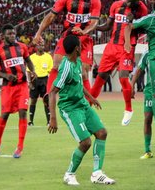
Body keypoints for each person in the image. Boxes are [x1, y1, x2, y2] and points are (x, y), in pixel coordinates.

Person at [48, 35, 115, 185]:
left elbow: (78, 83)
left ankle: (97, 174)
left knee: (102, 133)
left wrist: (91, 97)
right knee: (85, 142)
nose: (83, 47)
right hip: (70, 108)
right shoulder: (66, 67)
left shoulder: (77, 61)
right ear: (77, 48)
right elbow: (52, 92)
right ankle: (69, 174)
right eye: (81, 45)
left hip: (82, 104)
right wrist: (53, 118)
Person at [33, 0, 101, 95]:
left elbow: (94, 23)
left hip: (84, 39)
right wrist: (38, 33)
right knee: (56, 65)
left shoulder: (95, 1)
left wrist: (84, 31)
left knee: (84, 72)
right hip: (67, 37)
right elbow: (50, 17)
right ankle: (49, 96)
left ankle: (87, 107)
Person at [90, 0, 148, 125]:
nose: (130, 2)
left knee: (123, 77)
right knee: (100, 78)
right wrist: (94, 27)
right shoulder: (116, 5)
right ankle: (87, 108)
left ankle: (128, 109)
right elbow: (108, 26)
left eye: (134, 1)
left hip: (127, 47)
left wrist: (133, 21)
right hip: (112, 46)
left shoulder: (141, 9)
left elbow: (143, 28)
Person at [0, 24, 37, 158]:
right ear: (3, 36)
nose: (12, 36)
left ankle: (20, 147)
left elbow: (28, 60)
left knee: (23, 112)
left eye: (13, 33)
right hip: (8, 87)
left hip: (22, 86)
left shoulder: (22, 47)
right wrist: (5, 76)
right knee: (5, 115)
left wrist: (33, 71)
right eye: (9, 34)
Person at [130, 50, 155, 159]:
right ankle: (148, 151)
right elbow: (139, 70)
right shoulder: (147, 54)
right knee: (147, 118)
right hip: (150, 90)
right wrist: (132, 84)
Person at [27, 42, 53, 126]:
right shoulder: (31, 57)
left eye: (42, 45)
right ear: (36, 46)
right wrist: (29, 82)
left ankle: (49, 121)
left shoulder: (48, 57)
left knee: (46, 101)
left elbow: (51, 71)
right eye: (39, 45)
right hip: (34, 80)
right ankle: (31, 121)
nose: (41, 46)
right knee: (33, 100)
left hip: (45, 80)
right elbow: (28, 71)